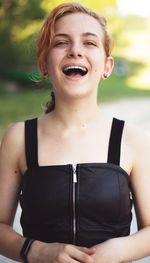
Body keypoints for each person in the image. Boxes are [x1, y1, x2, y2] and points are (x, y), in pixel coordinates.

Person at [0, 2, 150, 263]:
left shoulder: (132, 140)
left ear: (107, 66)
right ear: (44, 64)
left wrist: (118, 251)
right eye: (61, 43)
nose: (75, 51)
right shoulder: (19, 138)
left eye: (89, 43)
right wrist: (36, 251)